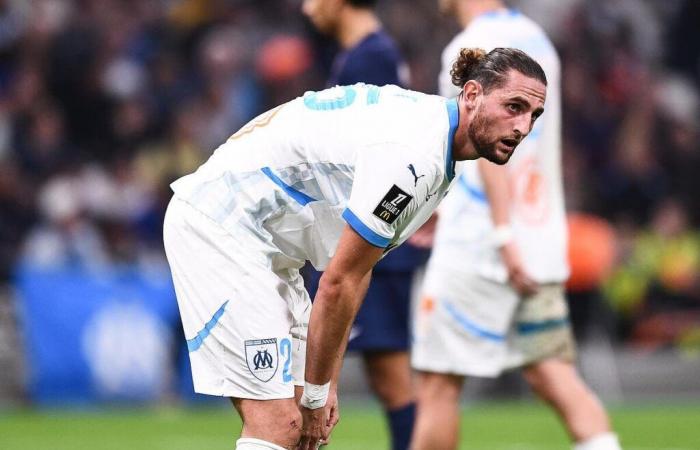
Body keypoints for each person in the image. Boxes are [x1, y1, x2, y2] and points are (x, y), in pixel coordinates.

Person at [163, 47, 547, 450]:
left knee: (296, 430)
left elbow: (356, 272)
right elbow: (338, 282)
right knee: (277, 422)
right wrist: (315, 393)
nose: (523, 127)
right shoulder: (416, 158)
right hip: (220, 226)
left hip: (267, 248)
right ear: (471, 94)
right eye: (514, 107)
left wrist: (322, 386)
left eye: (533, 116)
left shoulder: (434, 143)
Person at [410, 2, 622, 450]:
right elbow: (531, 143)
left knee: (438, 385)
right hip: (540, 238)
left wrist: (503, 235)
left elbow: (486, 146)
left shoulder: (470, 50)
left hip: (483, 244)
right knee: (554, 375)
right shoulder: (539, 41)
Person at [301, 1, 425, 448]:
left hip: (365, 241)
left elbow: (373, 150)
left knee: (311, 370)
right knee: (389, 378)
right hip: (372, 236)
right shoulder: (372, 52)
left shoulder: (369, 57)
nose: (306, 7)